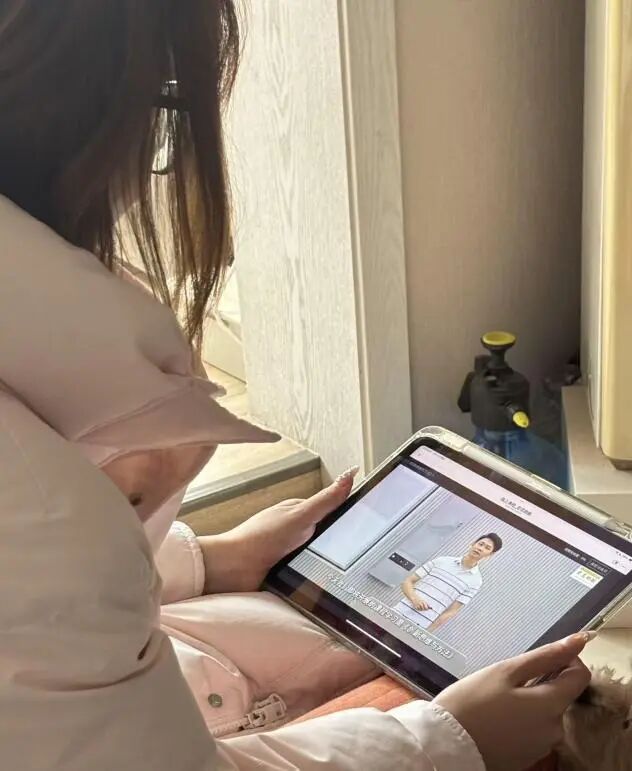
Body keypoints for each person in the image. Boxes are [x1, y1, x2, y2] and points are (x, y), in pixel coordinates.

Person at [0, 3, 591, 770]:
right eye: (168, 109)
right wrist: (450, 743)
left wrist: (211, 558)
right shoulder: (44, 510)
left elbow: (34, 611)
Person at [396, 533, 503, 632]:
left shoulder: (476, 581)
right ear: (473, 543)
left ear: (490, 555)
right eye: (480, 544)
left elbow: (451, 611)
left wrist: (426, 632)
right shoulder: (442, 560)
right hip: (397, 613)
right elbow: (407, 581)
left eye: (487, 548)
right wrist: (415, 599)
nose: (480, 548)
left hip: (419, 627)